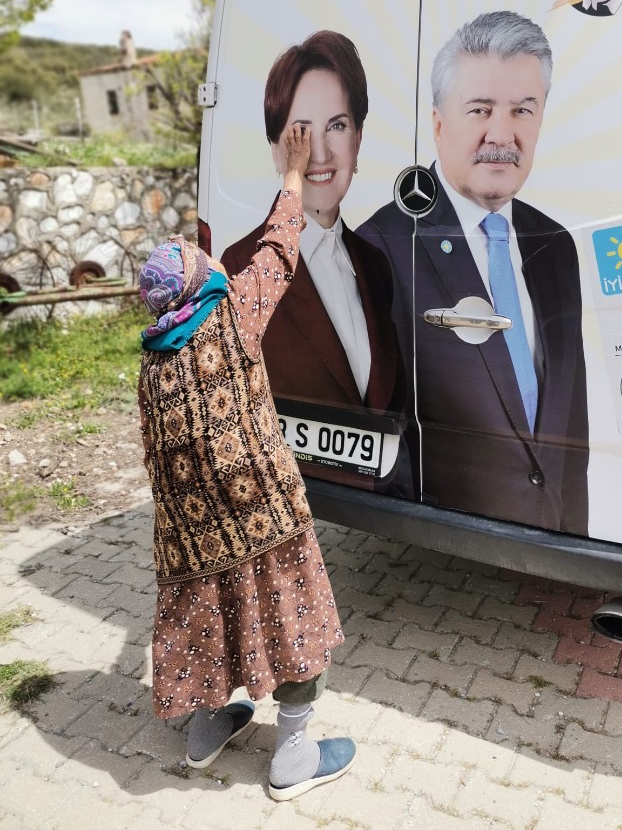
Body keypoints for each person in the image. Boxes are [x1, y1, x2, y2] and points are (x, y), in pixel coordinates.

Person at [137, 123, 355, 801]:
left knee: (210, 612)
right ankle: (292, 755)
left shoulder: (151, 364)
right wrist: (293, 174)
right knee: (287, 611)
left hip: (191, 538)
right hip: (264, 517)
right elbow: (281, 248)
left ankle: (207, 729)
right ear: (202, 284)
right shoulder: (231, 315)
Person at [359, 11, 589, 535]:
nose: (501, 134)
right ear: (439, 124)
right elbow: (379, 423)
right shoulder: (382, 246)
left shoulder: (555, 244)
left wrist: (573, 539)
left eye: (522, 110)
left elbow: (572, 426)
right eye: (480, 109)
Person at [221, 30, 406, 494]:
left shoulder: (374, 263)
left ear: (359, 139)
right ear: (275, 148)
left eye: (337, 126)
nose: (319, 153)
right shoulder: (244, 264)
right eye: (301, 132)